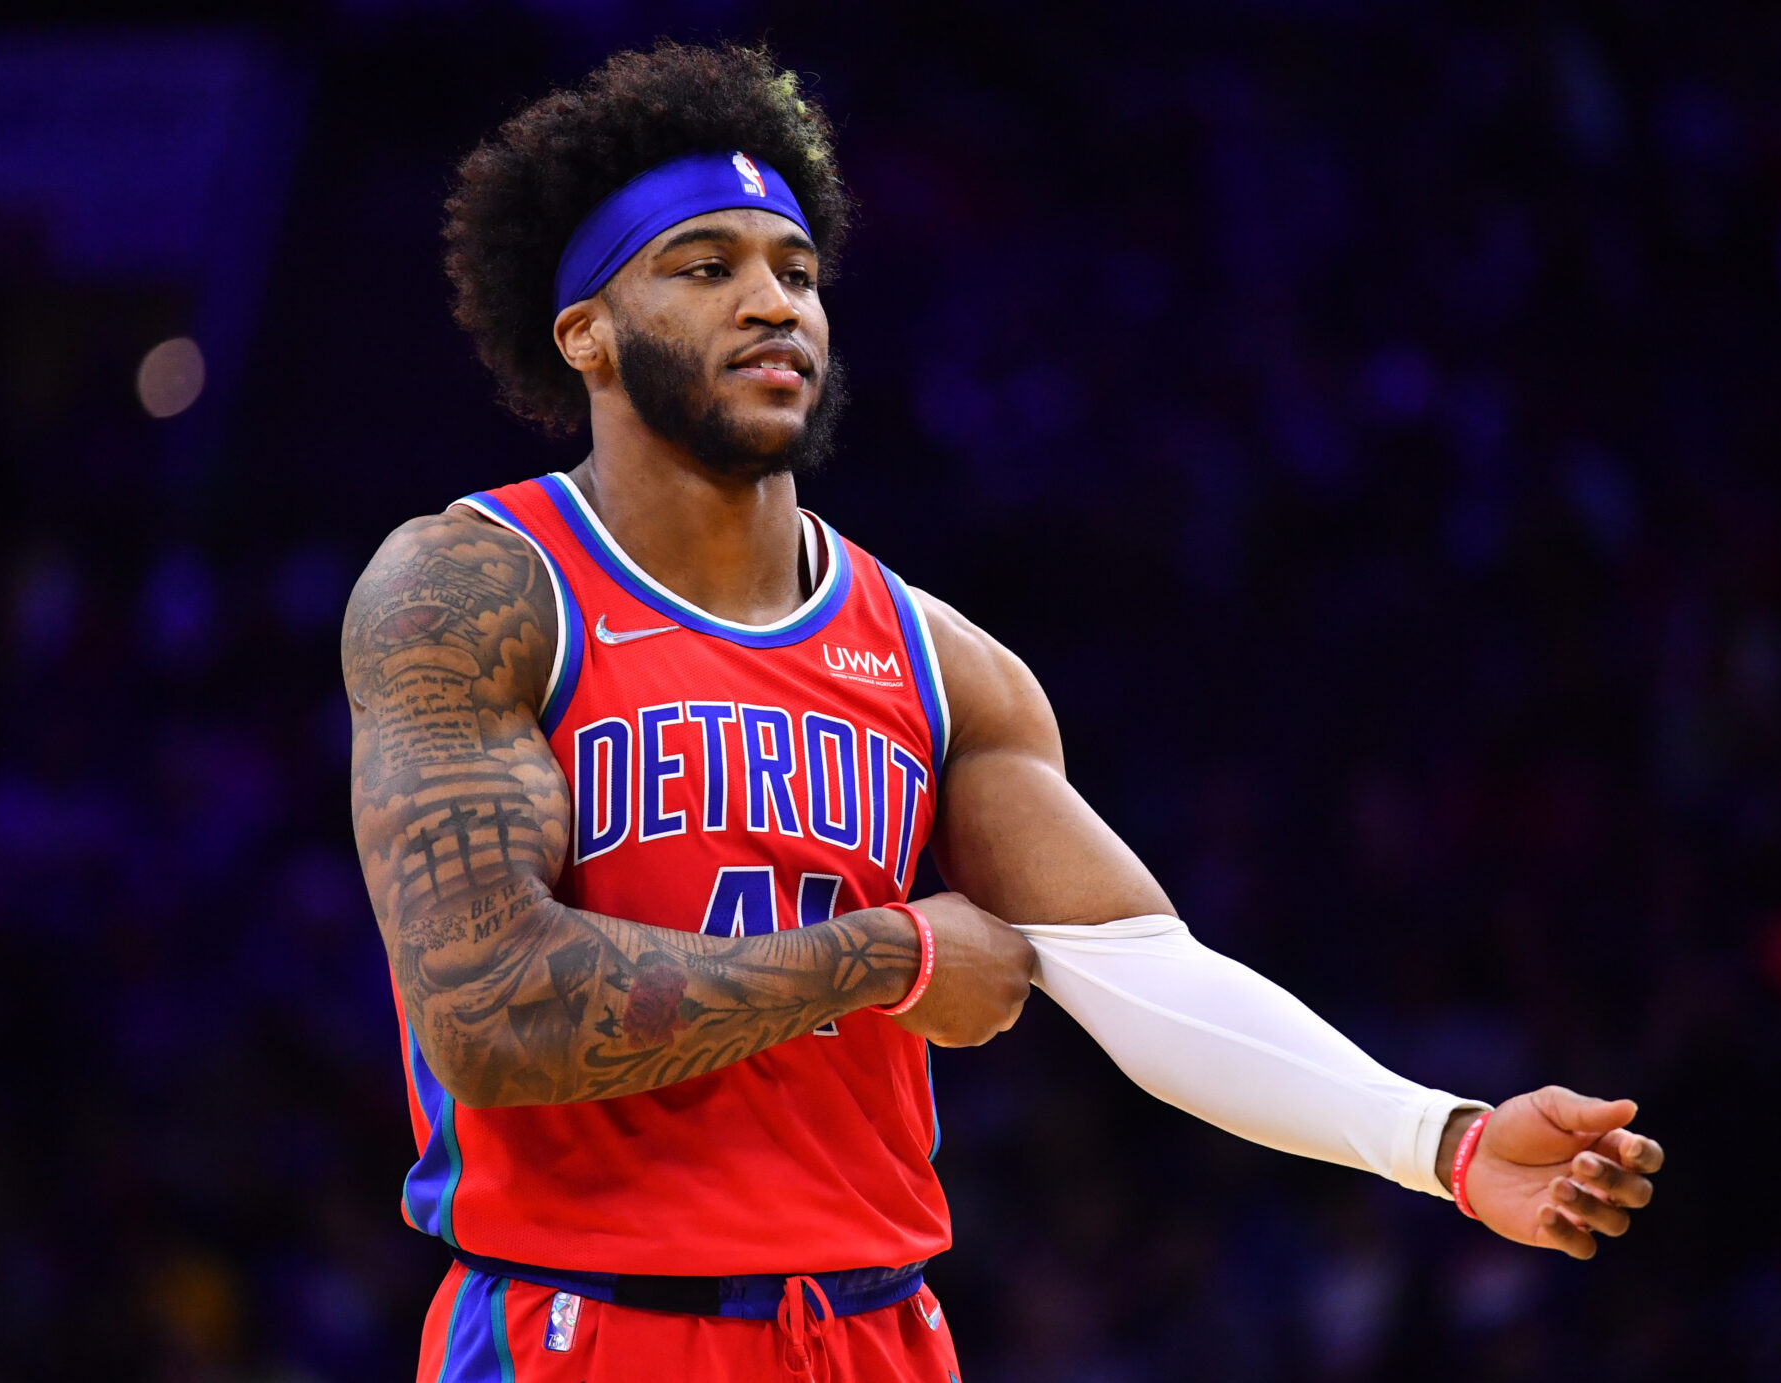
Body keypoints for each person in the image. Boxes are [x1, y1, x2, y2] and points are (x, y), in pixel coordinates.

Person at [341, 40, 1664, 1382]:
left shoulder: (937, 661)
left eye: (797, 271)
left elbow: (1143, 974)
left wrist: (1444, 1142)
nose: (773, 303)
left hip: (877, 1331)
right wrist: (883, 956)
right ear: (587, 334)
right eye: (706, 267)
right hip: (586, 1325)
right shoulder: (475, 590)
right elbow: (492, 1013)